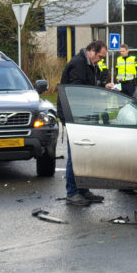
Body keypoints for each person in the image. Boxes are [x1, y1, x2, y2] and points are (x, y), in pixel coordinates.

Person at [58, 40, 112, 206]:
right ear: (92, 51)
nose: (101, 60)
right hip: (75, 116)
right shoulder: (78, 64)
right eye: (100, 56)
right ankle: (72, 192)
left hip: (84, 115)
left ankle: (83, 190)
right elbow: (76, 93)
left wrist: (103, 86)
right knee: (75, 154)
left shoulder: (89, 65)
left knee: (85, 155)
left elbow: (89, 86)